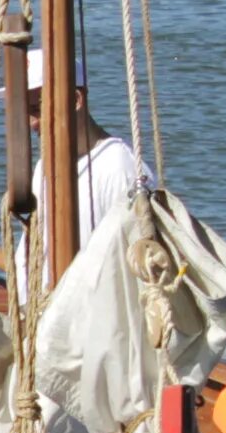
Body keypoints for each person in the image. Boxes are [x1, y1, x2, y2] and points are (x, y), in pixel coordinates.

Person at [17, 48, 159, 291]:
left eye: (37, 108)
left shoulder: (119, 168)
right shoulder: (44, 167)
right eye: (25, 110)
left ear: (75, 101)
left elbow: (140, 274)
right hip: (45, 318)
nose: (31, 123)